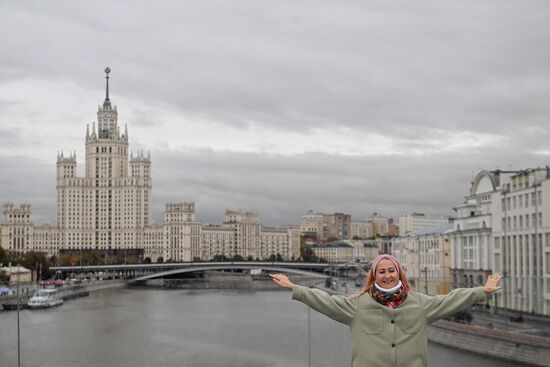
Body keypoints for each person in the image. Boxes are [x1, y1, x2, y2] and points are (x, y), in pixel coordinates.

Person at [269, 254, 502, 367]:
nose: (387, 275)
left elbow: (452, 299)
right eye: (381, 271)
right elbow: (326, 301)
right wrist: (295, 287)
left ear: (399, 274)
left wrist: (483, 290)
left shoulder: (420, 303)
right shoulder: (357, 305)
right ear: (374, 276)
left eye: (392, 270)